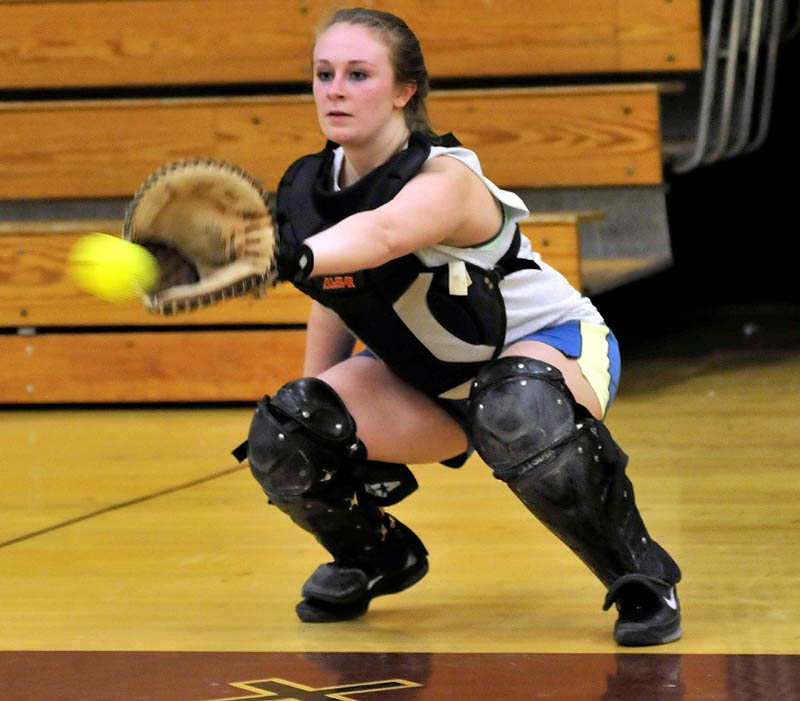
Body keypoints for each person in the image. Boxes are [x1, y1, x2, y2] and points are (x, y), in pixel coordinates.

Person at [243, 7, 682, 646]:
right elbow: (334, 296)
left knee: (516, 403)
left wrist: (294, 254)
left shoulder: (445, 178)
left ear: (404, 91)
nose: (335, 89)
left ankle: (639, 576)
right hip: (427, 382)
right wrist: (321, 426)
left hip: (554, 350)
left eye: (359, 74)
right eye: (323, 73)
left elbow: (384, 233)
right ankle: (376, 558)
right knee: (286, 429)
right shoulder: (311, 189)